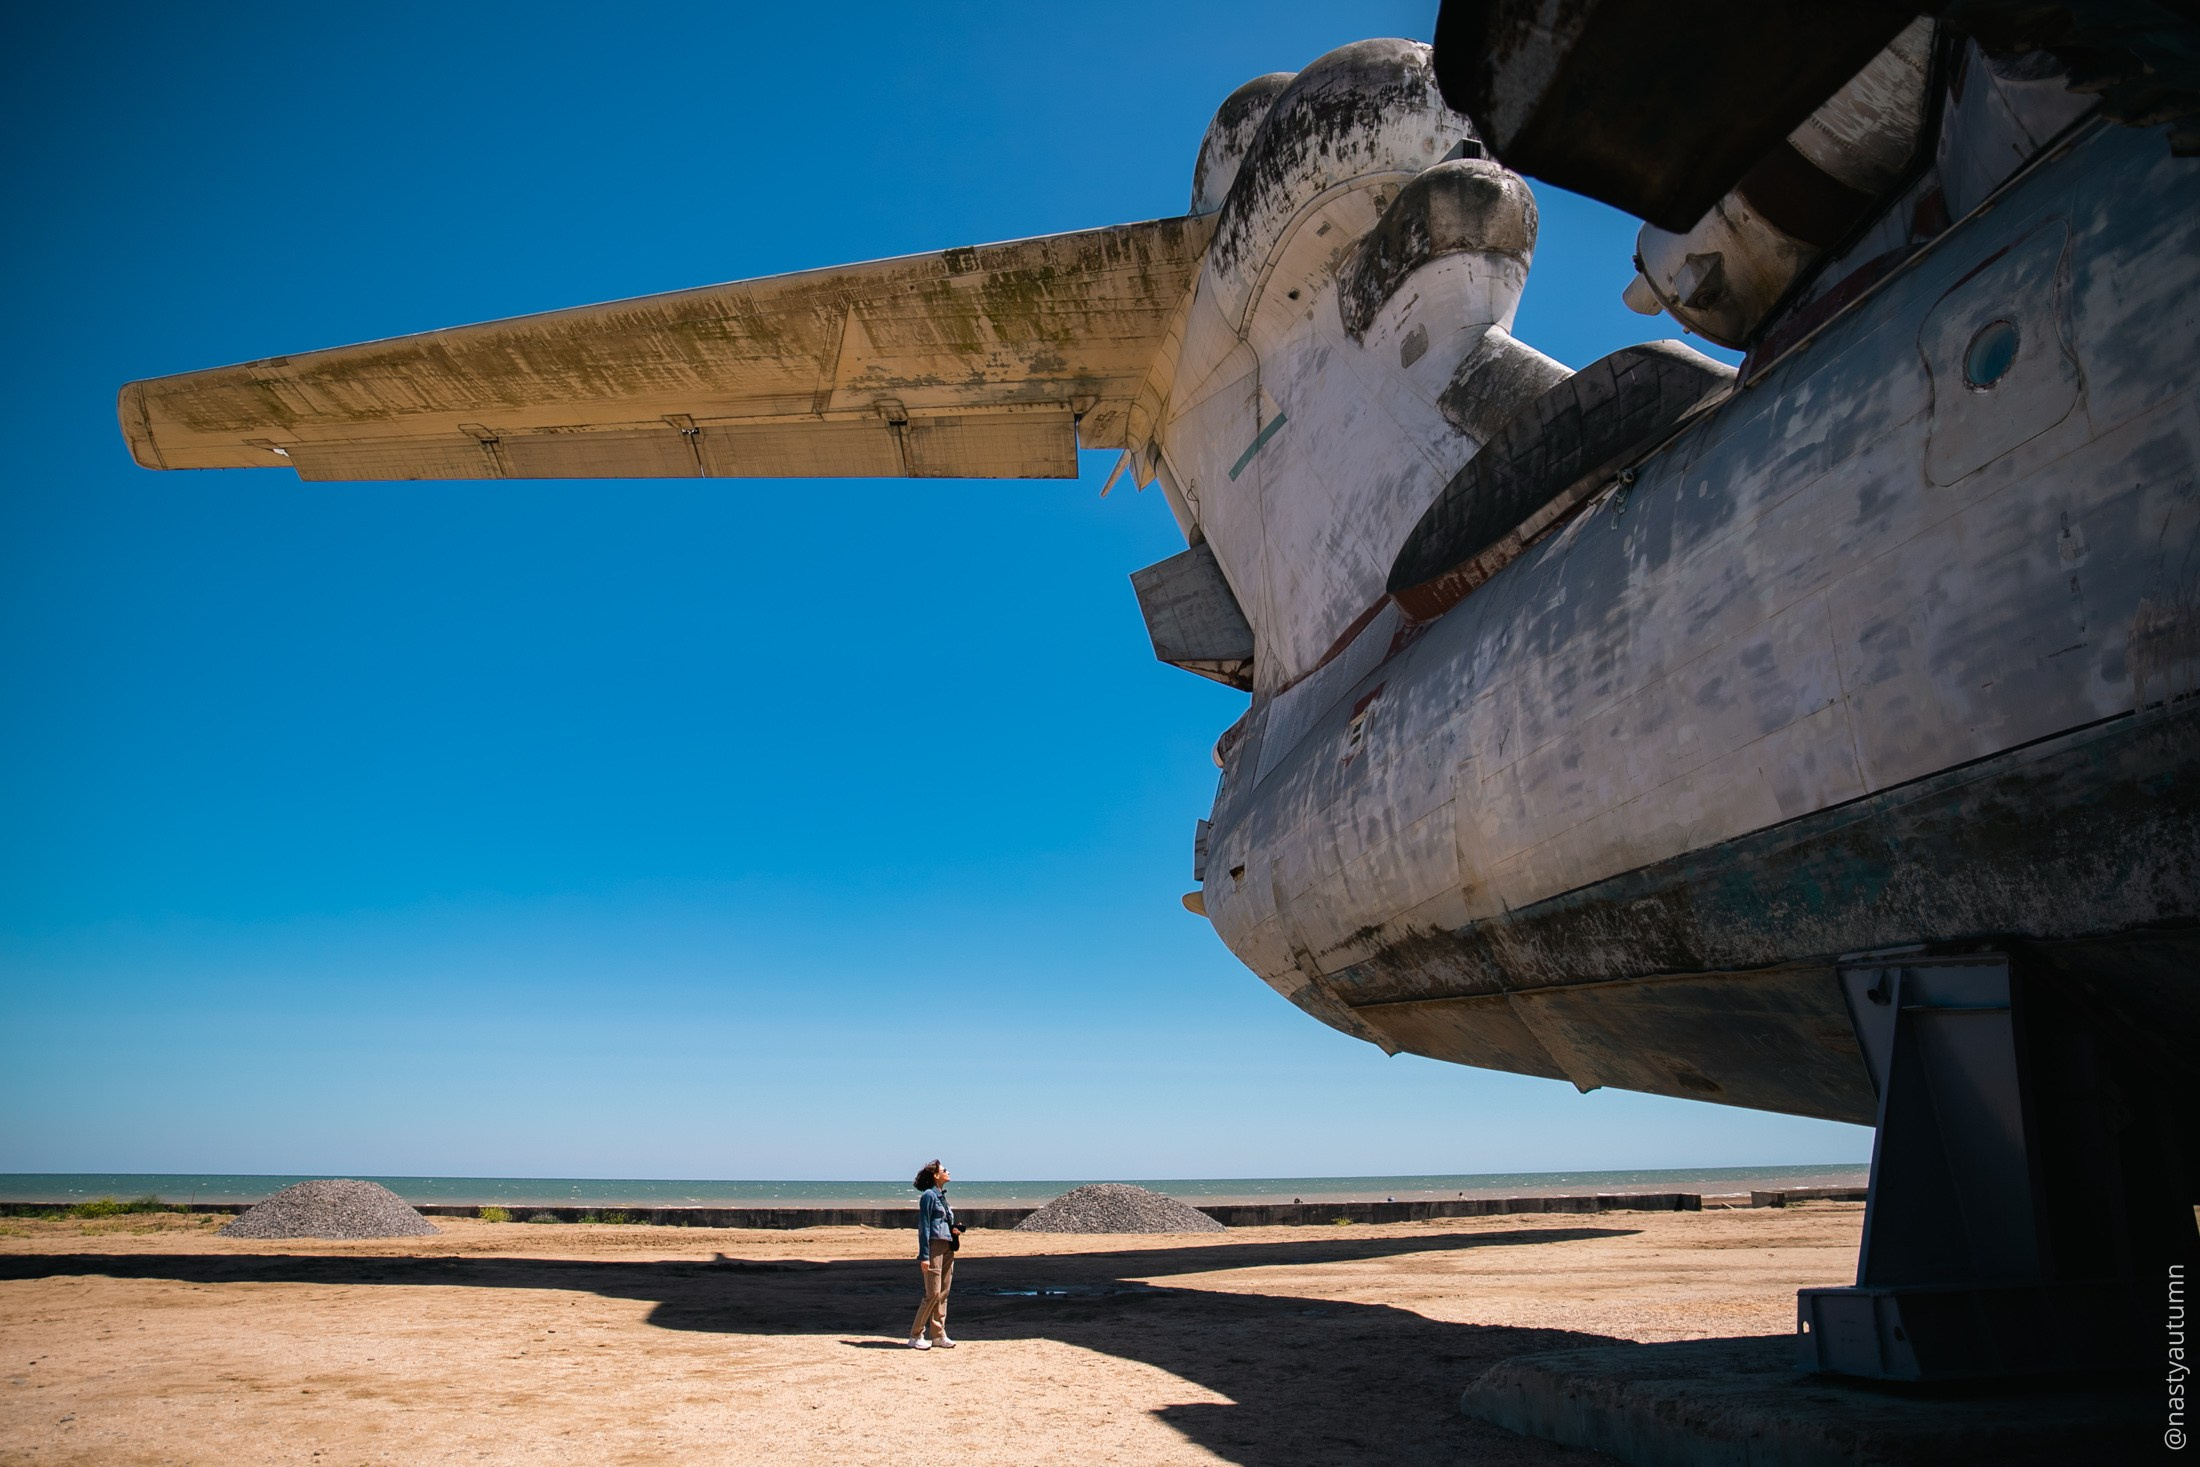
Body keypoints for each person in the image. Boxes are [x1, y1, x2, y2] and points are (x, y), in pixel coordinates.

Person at [909, 1159, 961, 1349]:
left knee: (944, 1293)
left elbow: (942, 1222)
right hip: (934, 1248)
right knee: (932, 1293)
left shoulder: (941, 1197)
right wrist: (923, 1255)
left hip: (947, 1246)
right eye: (944, 1170)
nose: (948, 1172)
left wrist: (954, 1230)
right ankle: (915, 1335)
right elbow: (924, 1227)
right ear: (936, 1175)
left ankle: (938, 1335)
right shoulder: (929, 1196)